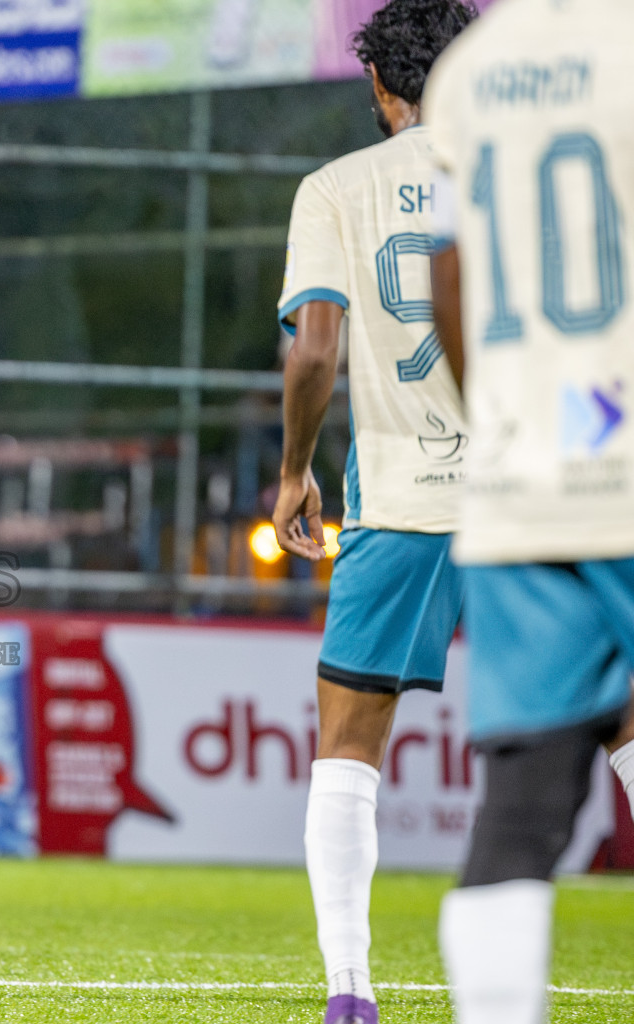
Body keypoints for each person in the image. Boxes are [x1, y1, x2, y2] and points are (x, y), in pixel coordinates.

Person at [425, 2, 634, 1020]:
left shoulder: (472, 69)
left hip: (522, 485)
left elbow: (450, 271)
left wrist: (504, 421)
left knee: (518, 818)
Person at [272, 3, 477, 1022]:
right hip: (540, 492)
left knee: (349, 743)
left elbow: (313, 348)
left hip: (405, 495)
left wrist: (294, 471)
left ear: (388, 93)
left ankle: (350, 990)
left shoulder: (338, 188)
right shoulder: (535, 165)